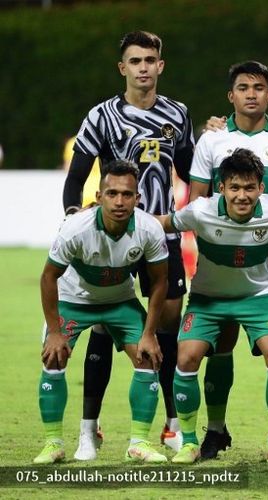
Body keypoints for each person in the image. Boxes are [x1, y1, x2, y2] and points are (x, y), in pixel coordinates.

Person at [62, 30, 195, 458]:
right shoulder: (101, 116)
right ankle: (89, 428)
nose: (143, 67)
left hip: (163, 235)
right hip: (114, 238)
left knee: (167, 326)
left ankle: (172, 423)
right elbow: (77, 175)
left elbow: (194, 172)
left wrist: (192, 213)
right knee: (105, 323)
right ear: (123, 68)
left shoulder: (178, 114)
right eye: (134, 61)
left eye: (150, 59)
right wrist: (73, 216)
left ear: (161, 65)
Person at [160, 148, 268, 464]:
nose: (242, 195)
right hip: (207, 300)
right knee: (186, 356)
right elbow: (163, 223)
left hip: (256, 297)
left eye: (249, 188)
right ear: (222, 187)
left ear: (261, 188)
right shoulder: (200, 211)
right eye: (234, 187)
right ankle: (189, 442)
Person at [189, 60, 268, 459]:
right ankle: (215, 430)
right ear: (231, 96)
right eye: (243, 87)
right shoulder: (212, 140)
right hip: (222, 265)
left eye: (259, 87)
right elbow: (196, 202)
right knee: (218, 345)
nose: (252, 94)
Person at [35, 160, 168, 464]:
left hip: (120, 301)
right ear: (98, 196)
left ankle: (138, 443)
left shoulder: (149, 229)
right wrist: (55, 332)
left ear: (138, 198)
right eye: (112, 193)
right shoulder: (75, 229)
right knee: (53, 357)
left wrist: (149, 334)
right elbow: (48, 277)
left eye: (126, 194)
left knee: (148, 357)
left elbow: (160, 281)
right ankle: (53, 443)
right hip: (74, 301)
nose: (119, 201)